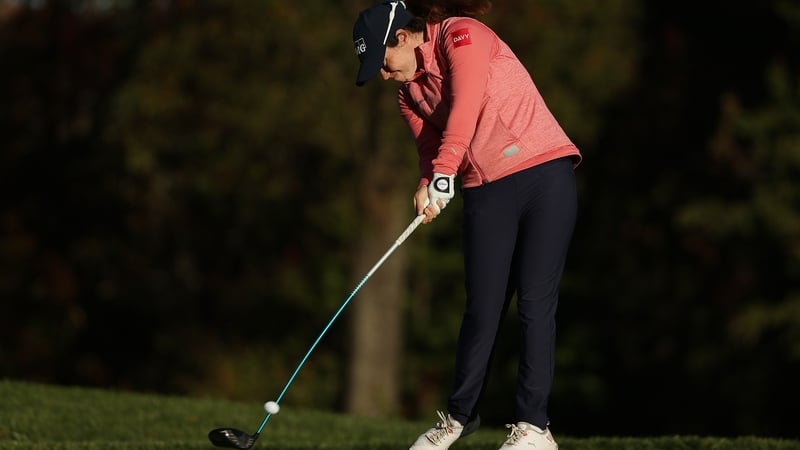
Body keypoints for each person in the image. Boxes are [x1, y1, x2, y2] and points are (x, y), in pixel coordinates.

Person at [352, 1, 581, 449]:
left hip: (542, 176)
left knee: (534, 301)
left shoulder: (462, 35)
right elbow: (430, 149)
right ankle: (458, 419)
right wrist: (427, 183)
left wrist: (443, 171)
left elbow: (466, 105)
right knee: (482, 308)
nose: (382, 74)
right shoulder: (408, 94)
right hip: (485, 189)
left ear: (401, 37)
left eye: (381, 62)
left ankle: (534, 429)